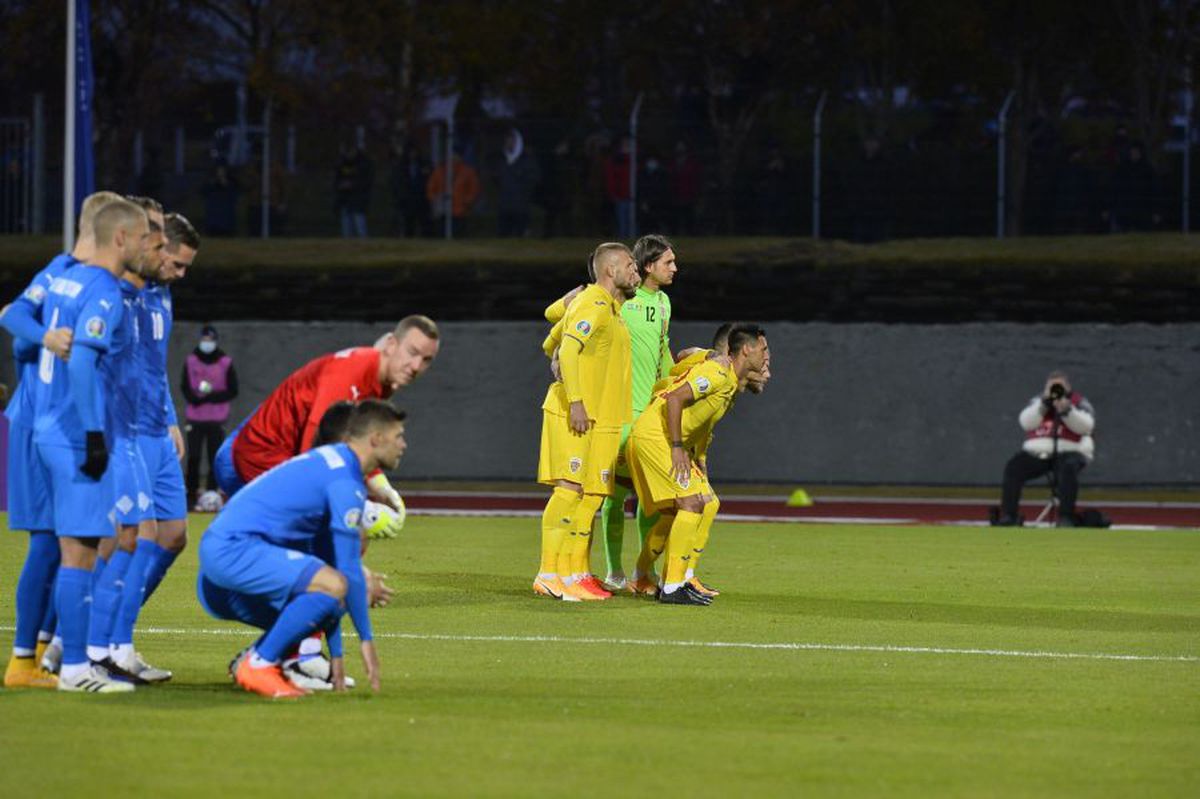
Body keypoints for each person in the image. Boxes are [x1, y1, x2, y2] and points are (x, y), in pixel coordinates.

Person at [197, 399, 405, 697]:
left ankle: (270, 659)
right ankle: (260, 664)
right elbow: (345, 576)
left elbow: (334, 582)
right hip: (234, 556)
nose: (404, 444)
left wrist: (337, 656)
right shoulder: (344, 483)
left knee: (332, 586)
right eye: (398, 436)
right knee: (343, 583)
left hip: (220, 572)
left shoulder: (329, 463)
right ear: (376, 439)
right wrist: (366, 640)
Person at [0, 190, 122, 688]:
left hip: (48, 420)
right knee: (52, 543)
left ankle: (45, 653)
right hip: (37, 420)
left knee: (68, 541)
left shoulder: (79, 281)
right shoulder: (61, 273)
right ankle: (29, 657)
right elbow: (12, 318)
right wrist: (44, 337)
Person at [30, 198, 152, 692]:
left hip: (45, 425)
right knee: (80, 552)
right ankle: (77, 668)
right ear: (121, 238)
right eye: (144, 237)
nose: (148, 247)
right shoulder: (103, 288)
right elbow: (82, 363)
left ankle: (61, 656)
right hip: (74, 434)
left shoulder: (64, 276)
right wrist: (94, 436)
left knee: (72, 549)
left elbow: (20, 323)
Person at [106, 210, 201, 682]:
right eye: (176, 262)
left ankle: (116, 627)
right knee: (132, 538)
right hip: (124, 433)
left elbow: (154, 364)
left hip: (156, 429)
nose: (179, 273)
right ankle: (110, 640)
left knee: (173, 536)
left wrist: (170, 418)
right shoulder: (118, 293)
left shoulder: (160, 296)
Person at [213, 315, 439, 502]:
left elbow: (357, 446)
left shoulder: (381, 380)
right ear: (391, 345)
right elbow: (314, 453)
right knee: (343, 526)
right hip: (254, 460)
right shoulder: (349, 374)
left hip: (257, 448)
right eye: (412, 352)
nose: (417, 366)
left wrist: (382, 489)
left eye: (427, 360)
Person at [626, 324, 769, 605]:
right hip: (657, 437)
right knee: (691, 503)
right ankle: (672, 586)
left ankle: (650, 576)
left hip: (668, 441)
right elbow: (675, 398)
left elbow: (702, 424)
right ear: (746, 349)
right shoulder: (717, 373)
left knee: (693, 505)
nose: (766, 358)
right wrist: (679, 448)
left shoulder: (728, 381)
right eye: (764, 350)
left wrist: (698, 457)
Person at [533, 242, 639, 602]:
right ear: (610, 270)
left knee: (590, 496)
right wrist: (576, 399)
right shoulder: (594, 303)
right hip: (578, 412)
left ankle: (574, 573)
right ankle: (549, 573)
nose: (634, 271)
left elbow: (553, 342)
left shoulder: (611, 309)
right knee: (568, 491)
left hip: (603, 416)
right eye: (629, 265)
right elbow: (563, 348)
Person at [597, 235, 677, 592]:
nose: (675, 268)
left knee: (652, 499)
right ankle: (613, 571)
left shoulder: (664, 304)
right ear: (648, 266)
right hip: (618, 413)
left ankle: (643, 573)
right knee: (614, 496)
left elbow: (663, 353)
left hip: (650, 415)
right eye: (668, 262)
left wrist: (678, 385)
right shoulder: (620, 301)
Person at [992, 371, 1096, 528]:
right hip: (1039, 453)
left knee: (1068, 469)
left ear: (1068, 387)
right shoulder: (1037, 401)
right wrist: (1043, 405)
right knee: (1014, 468)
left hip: (1070, 451)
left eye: (1060, 386)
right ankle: (1009, 515)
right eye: (1052, 386)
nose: (1056, 390)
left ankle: (1066, 517)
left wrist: (1067, 411)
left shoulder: (1079, 402)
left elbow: (1086, 426)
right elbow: (1026, 422)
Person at [182, 323, 238, 508]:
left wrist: (210, 396)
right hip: (195, 418)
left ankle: (212, 495)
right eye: (204, 339)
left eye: (210, 340)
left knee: (215, 457)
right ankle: (190, 496)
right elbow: (185, 386)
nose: (207, 343)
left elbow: (232, 389)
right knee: (194, 457)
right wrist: (195, 399)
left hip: (216, 418)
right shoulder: (191, 360)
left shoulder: (225, 362)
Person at [496, 128, 541, 237]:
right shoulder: (501, 159)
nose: (509, 142)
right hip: (505, 206)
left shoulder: (526, 159)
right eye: (507, 139)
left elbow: (533, 179)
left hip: (521, 206)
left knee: (520, 237)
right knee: (504, 237)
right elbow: (497, 179)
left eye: (512, 139)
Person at [426, 151, 480, 238]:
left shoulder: (467, 172)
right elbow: (431, 188)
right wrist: (435, 200)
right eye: (451, 155)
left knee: (458, 237)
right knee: (441, 236)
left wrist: (466, 201)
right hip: (442, 212)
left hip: (459, 212)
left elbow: (474, 189)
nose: (453, 157)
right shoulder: (439, 171)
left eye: (456, 155)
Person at [334, 141, 374, 238]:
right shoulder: (342, 163)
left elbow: (366, 181)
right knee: (346, 231)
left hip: (358, 201)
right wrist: (341, 186)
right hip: (345, 200)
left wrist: (352, 185)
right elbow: (336, 180)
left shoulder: (363, 163)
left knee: (360, 229)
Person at [605, 137, 634, 238]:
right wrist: (613, 193)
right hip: (621, 195)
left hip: (632, 196)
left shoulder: (634, 160)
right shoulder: (616, 160)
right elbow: (611, 178)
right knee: (622, 221)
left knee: (632, 220)